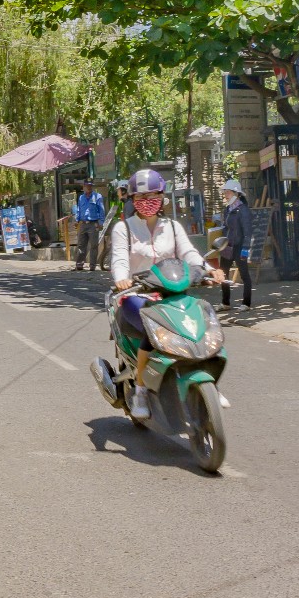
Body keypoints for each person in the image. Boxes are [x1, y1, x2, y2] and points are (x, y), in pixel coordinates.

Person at [108, 168, 224, 421]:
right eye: (140, 197)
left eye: (153, 195)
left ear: (163, 197)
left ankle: (210, 383)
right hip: (137, 295)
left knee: (201, 321)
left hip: (172, 292)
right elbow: (119, 259)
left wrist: (208, 270)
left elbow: (190, 254)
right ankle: (140, 391)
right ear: (132, 201)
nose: (147, 201)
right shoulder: (123, 228)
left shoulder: (172, 226)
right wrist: (122, 279)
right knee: (154, 330)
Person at [216, 178, 254, 310]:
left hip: (239, 246)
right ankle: (225, 303)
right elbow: (226, 227)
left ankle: (246, 303)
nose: (225, 195)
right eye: (225, 193)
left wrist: (246, 249)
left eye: (228, 193)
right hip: (228, 246)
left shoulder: (243, 210)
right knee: (223, 274)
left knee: (244, 275)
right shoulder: (227, 209)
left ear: (236, 193)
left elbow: (248, 232)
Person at [72, 181, 106, 272]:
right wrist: (77, 220)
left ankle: (92, 266)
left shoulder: (97, 196)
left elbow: (101, 210)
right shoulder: (81, 198)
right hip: (83, 224)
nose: (89, 187)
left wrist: (101, 223)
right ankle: (79, 265)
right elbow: (79, 210)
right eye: (87, 186)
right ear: (83, 187)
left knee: (93, 246)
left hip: (93, 223)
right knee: (81, 245)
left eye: (91, 186)